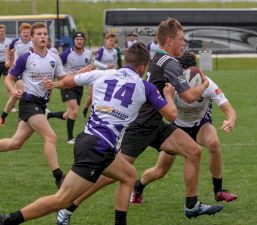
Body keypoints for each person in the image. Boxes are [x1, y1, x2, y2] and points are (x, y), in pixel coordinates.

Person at [55, 18, 223, 225]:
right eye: (180, 39)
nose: (183, 44)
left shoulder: (157, 57)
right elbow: (188, 96)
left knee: (194, 151)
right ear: (169, 41)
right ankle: (69, 208)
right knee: (109, 175)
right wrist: (204, 83)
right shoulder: (170, 63)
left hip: (155, 124)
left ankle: (191, 205)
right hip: (140, 126)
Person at [0, 42, 176, 225]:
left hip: (90, 140)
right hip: (98, 147)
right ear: (142, 67)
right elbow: (171, 115)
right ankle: (8, 220)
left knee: (129, 174)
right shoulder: (146, 87)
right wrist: (169, 95)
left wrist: (64, 80)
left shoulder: (102, 74)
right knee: (62, 199)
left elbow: (67, 82)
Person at [130, 51, 238, 206]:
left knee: (213, 143)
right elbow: (168, 114)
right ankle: (139, 185)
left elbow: (230, 110)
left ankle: (219, 191)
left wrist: (230, 120)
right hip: (177, 129)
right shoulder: (172, 87)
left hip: (201, 126)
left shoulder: (207, 83)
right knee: (160, 171)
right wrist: (169, 96)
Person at [0, 22, 65, 189]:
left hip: (41, 104)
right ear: (32, 38)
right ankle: (58, 176)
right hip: (28, 102)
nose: (43, 36)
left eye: (45, 34)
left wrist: (80, 74)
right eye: (39, 34)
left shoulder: (54, 58)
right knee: (51, 137)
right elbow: (9, 78)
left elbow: (63, 80)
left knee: (15, 143)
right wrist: (13, 90)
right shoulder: (25, 57)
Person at [47, 32, 93, 144]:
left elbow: (90, 67)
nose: (79, 41)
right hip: (67, 85)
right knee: (75, 111)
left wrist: (90, 83)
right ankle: (70, 138)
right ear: (73, 41)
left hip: (79, 86)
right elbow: (57, 69)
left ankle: (49, 115)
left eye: (81, 39)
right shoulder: (66, 54)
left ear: (84, 41)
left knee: (68, 114)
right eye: (77, 39)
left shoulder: (88, 54)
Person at [0, 23, 32, 125]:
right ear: (20, 33)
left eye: (27, 32)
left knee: (15, 96)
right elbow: (7, 49)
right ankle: (22, 116)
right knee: (19, 91)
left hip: (31, 71)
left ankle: (3, 115)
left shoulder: (33, 42)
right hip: (19, 70)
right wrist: (7, 60)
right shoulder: (16, 42)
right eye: (24, 32)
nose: (26, 34)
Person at [82, 33, 118, 118]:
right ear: (106, 41)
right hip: (98, 76)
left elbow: (115, 63)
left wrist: (115, 72)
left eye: (114, 41)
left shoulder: (115, 51)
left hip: (109, 76)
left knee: (107, 95)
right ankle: (85, 109)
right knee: (92, 95)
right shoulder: (102, 50)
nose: (112, 43)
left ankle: (102, 112)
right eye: (110, 41)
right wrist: (106, 66)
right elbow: (95, 62)